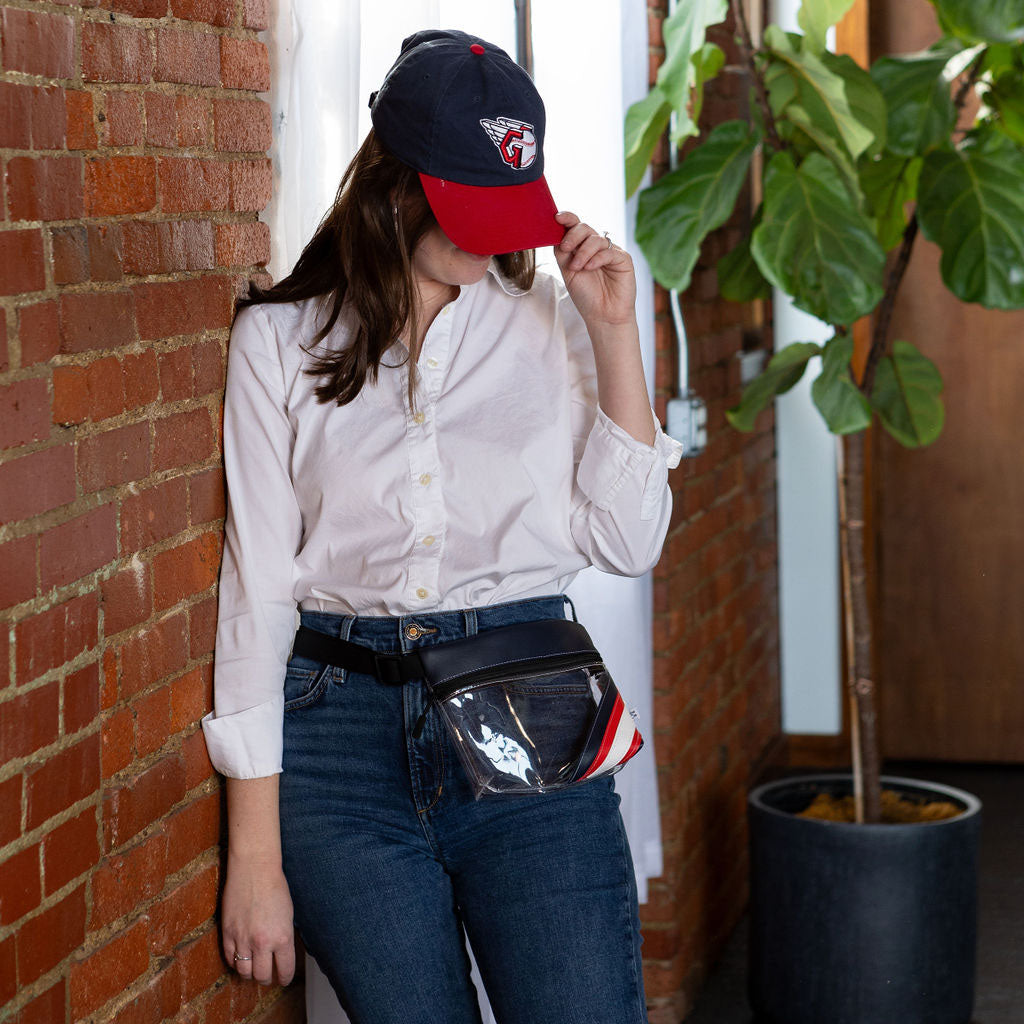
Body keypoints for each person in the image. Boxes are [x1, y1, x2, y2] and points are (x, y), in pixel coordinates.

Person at [201, 28, 682, 1024]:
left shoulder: (555, 321)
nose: (495, 240)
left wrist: (613, 332)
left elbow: (628, 542)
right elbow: (257, 598)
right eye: (471, 209)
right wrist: (253, 857)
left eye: (512, 209)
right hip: (338, 748)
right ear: (394, 185)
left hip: (533, 713)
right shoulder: (279, 341)